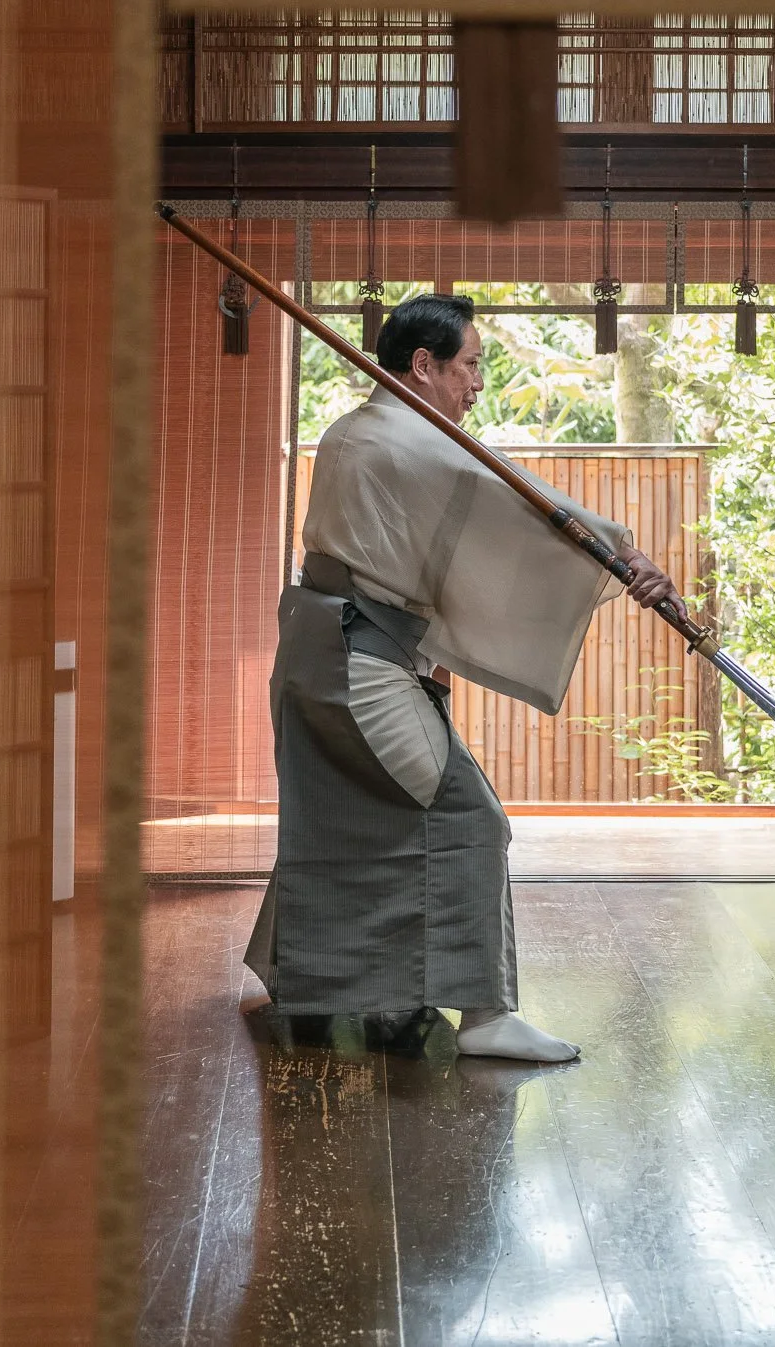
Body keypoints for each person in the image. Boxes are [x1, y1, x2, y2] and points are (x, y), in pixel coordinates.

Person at [243, 294, 679, 1062]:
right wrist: (622, 555)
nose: (477, 383)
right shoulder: (401, 441)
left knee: (338, 815)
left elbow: (471, 522)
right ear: (424, 365)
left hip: (322, 654)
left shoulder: (361, 430)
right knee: (470, 816)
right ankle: (485, 1013)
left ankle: (300, 974)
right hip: (358, 661)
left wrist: (618, 553)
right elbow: (518, 507)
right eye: (470, 365)